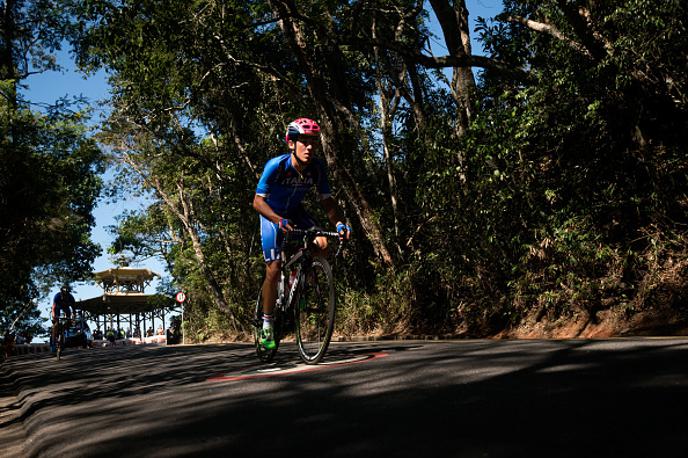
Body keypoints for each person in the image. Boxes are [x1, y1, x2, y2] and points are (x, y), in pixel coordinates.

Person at [253, 117, 351, 350]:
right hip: (272, 215)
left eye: (313, 142)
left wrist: (339, 224)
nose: (309, 147)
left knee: (323, 244)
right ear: (291, 144)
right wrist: (277, 220)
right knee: (274, 268)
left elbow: (327, 201)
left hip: (295, 212)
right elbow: (257, 202)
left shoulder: (316, 168)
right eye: (303, 142)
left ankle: (302, 281)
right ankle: (267, 325)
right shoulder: (276, 166)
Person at [51, 284, 75, 353]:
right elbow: (53, 308)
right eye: (64, 293)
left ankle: (64, 335)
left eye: (67, 294)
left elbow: (73, 310)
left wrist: (72, 318)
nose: (65, 295)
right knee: (55, 324)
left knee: (69, 321)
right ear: (61, 292)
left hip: (66, 308)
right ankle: (53, 343)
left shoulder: (71, 297)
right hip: (57, 308)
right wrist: (54, 317)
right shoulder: (57, 296)